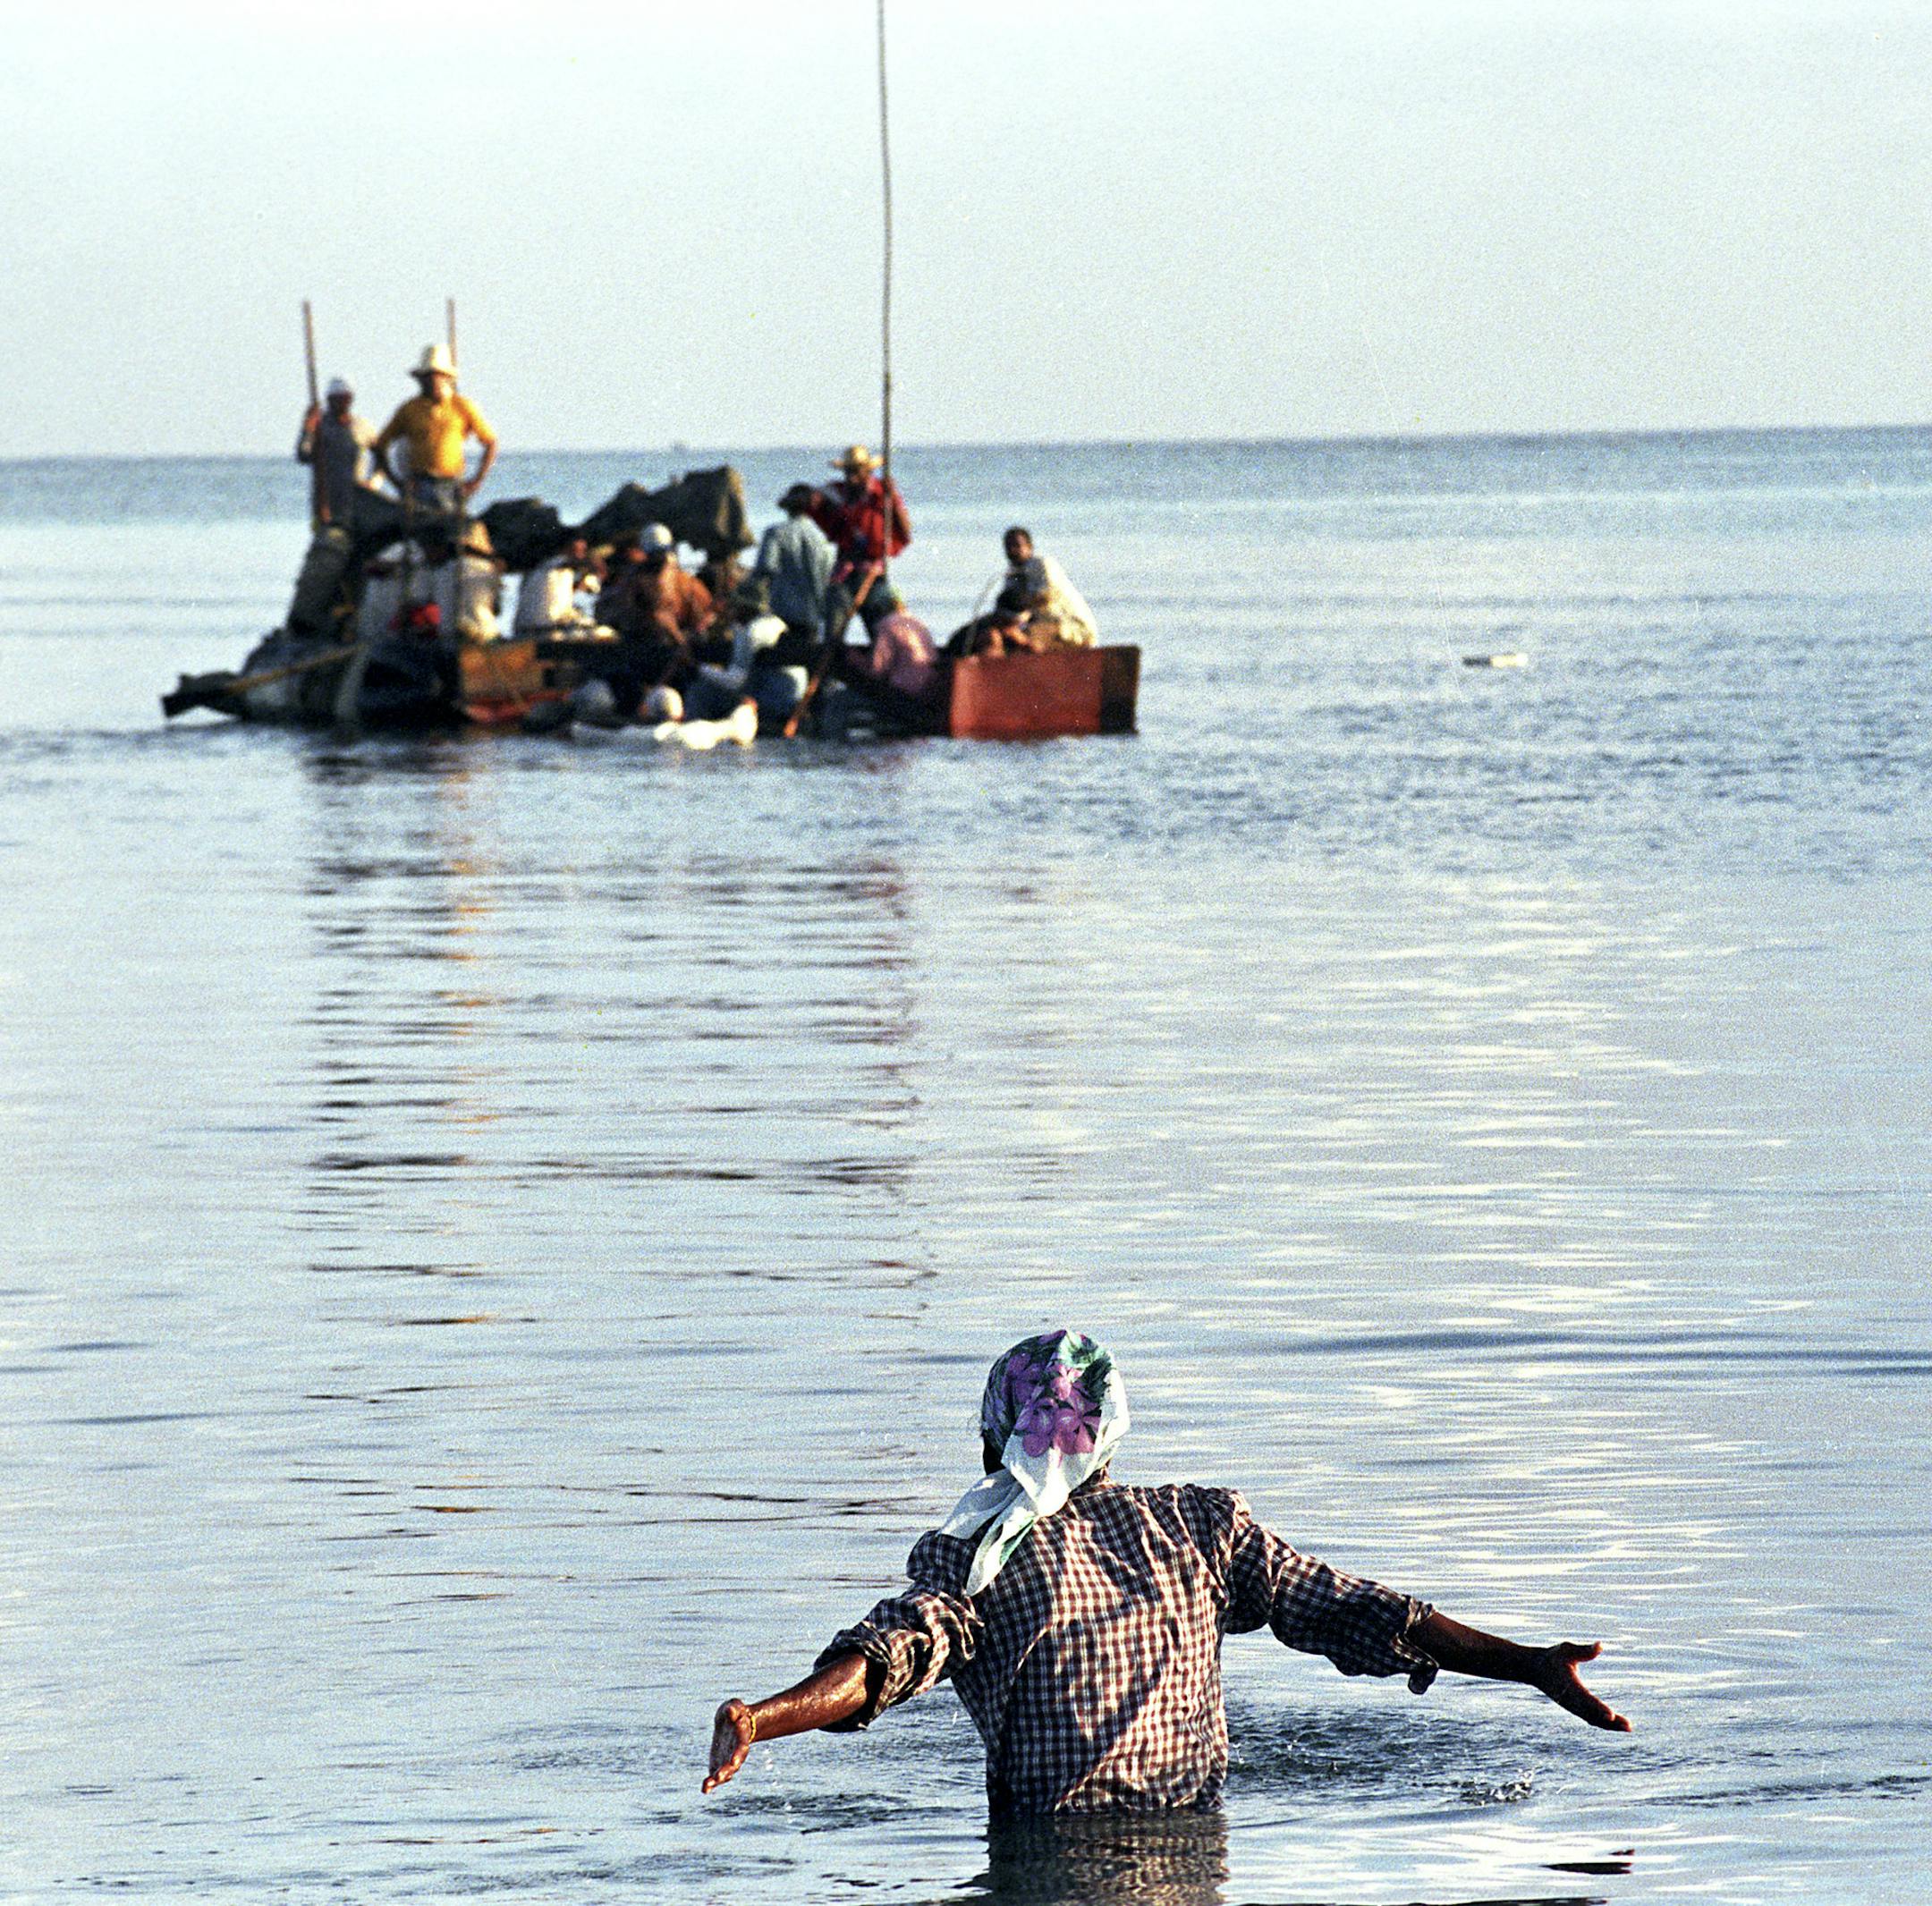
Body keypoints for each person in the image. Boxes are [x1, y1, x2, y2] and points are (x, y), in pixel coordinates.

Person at [705, 1329, 1629, 1816]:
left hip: (1045, 1862)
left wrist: (763, 1716)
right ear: (1110, 1436)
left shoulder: (975, 1555)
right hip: (1189, 1856)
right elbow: (1351, 1608)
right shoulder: (1198, 1528)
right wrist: (1528, 1664)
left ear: (995, 1438)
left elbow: (886, 1658)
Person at [371, 344, 497, 517]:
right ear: (421, 379)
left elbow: (490, 442)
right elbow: (379, 445)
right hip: (420, 484)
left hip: (452, 484)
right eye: (428, 376)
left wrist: (476, 481)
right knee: (420, 533)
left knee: (455, 535)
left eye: (436, 376)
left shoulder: (461, 406)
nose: (432, 381)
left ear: (446, 378)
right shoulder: (409, 409)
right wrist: (397, 483)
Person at [805, 445, 911, 647]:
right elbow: (814, 501)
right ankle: (830, 672)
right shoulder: (838, 493)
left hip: (874, 575)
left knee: (883, 633)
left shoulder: (883, 494)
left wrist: (891, 500)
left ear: (867, 471)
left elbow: (905, 531)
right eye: (848, 472)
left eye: (856, 472)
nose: (851, 478)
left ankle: (882, 672)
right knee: (833, 634)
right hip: (844, 574)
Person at [957, 527, 1099, 656]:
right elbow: (1010, 610)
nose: (1013, 551)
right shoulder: (1012, 576)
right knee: (989, 633)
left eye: (1017, 545)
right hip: (1041, 624)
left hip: (1070, 626)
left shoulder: (1042, 565)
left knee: (1021, 637)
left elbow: (1044, 597)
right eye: (1009, 547)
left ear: (1029, 547)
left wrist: (1014, 612)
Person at [751, 483, 835, 655]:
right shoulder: (823, 538)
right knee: (807, 659)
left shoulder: (775, 533)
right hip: (813, 615)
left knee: (779, 660)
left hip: (782, 614)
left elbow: (766, 567)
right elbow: (830, 575)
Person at [294, 378, 380, 527]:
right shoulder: (320, 427)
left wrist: (374, 482)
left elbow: (381, 455)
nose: (341, 403)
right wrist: (307, 428)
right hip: (325, 505)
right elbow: (303, 455)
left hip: (357, 503)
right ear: (329, 400)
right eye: (337, 399)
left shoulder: (361, 427)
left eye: (345, 398)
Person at [513, 536, 600, 637]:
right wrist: (592, 562)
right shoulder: (555, 564)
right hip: (542, 629)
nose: (580, 554)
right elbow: (567, 564)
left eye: (583, 551)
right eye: (577, 550)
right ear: (566, 548)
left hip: (539, 627)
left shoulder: (562, 573)